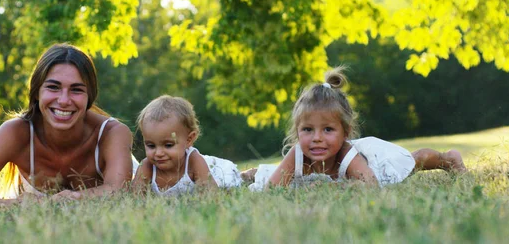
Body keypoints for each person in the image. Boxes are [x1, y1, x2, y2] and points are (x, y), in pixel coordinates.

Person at [0, 43, 137, 206]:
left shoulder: (112, 133)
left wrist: (73, 198)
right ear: (36, 92)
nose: (63, 100)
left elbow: (118, 193)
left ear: (90, 97)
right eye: (53, 87)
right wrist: (15, 206)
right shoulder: (15, 132)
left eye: (76, 90)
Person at [248, 66, 467, 190]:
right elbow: (272, 190)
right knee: (261, 174)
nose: (316, 138)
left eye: (327, 130)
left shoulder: (346, 153)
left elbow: (371, 187)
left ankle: (448, 158)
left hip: (373, 167)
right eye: (307, 130)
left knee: (414, 161)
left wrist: (334, 189)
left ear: (345, 132)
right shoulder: (298, 153)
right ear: (297, 131)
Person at [131, 95, 242, 196]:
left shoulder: (193, 161)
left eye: (168, 145)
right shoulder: (147, 166)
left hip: (215, 171)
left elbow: (211, 195)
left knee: (229, 184)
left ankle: (248, 175)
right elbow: (135, 198)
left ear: (189, 139)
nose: (158, 153)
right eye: (151, 145)